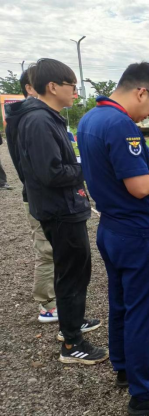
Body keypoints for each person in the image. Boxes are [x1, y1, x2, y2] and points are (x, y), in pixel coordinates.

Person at [78, 62, 149, 415]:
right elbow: (140, 187)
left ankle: (125, 364)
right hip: (138, 235)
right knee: (142, 312)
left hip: (112, 229)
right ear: (141, 92)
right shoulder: (121, 124)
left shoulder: (91, 119)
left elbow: (113, 168)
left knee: (122, 304)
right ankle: (145, 393)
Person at [16, 58, 107, 364]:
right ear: (53, 87)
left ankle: (72, 322)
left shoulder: (47, 117)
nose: (75, 92)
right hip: (60, 210)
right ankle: (72, 344)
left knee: (75, 270)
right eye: (72, 86)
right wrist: (87, 167)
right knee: (72, 273)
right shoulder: (39, 121)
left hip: (64, 206)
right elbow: (51, 173)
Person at [5, 68, 58, 323]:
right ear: (29, 87)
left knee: (52, 248)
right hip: (39, 196)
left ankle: (55, 297)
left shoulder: (29, 116)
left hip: (41, 194)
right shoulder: (32, 119)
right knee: (46, 250)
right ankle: (47, 305)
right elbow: (45, 168)